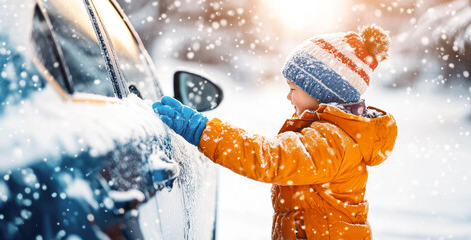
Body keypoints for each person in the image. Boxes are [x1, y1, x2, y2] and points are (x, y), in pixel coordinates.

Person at [152, 25, 398, 240]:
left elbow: (269, 157)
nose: (288, 96)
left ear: (323, 93)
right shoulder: (334, 134)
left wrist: (203, 130)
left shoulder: (331, 141)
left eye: (294, 88)